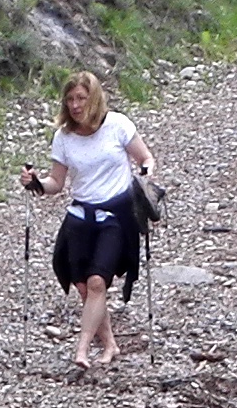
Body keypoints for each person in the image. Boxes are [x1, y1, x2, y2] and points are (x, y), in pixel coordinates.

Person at [20, 70, 154, 373]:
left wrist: (145, 176)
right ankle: (109, 344)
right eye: (69, 100)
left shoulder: (118, 125)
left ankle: (81, 349)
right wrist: (35, 183)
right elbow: (56, 182)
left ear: (94, 98)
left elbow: (145, 158)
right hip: (80, 216)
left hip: (117, 215)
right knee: (83, 285)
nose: (75, 105)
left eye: (80, 98)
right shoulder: (63, 137)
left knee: (97, 282)